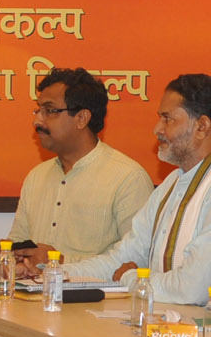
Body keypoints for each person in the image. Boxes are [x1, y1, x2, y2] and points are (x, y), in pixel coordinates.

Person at [64, 73, 211, 299]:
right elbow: (122, 258)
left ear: (202, 126)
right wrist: (55, 274)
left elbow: (195, 288)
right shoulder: (174, 181)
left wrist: (130, 279)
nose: (157, 129)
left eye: (167, 118)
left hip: (209, 330)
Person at [10, 68, 151, 270]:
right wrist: (11, 256)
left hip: (95, 299)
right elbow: (17, 240)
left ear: (81, 118)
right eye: (38, 110)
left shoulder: (128, 178)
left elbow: (137, 260)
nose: (37, 121)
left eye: (50, 111)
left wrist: (59, 262)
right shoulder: (36, 176)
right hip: (34, 297)